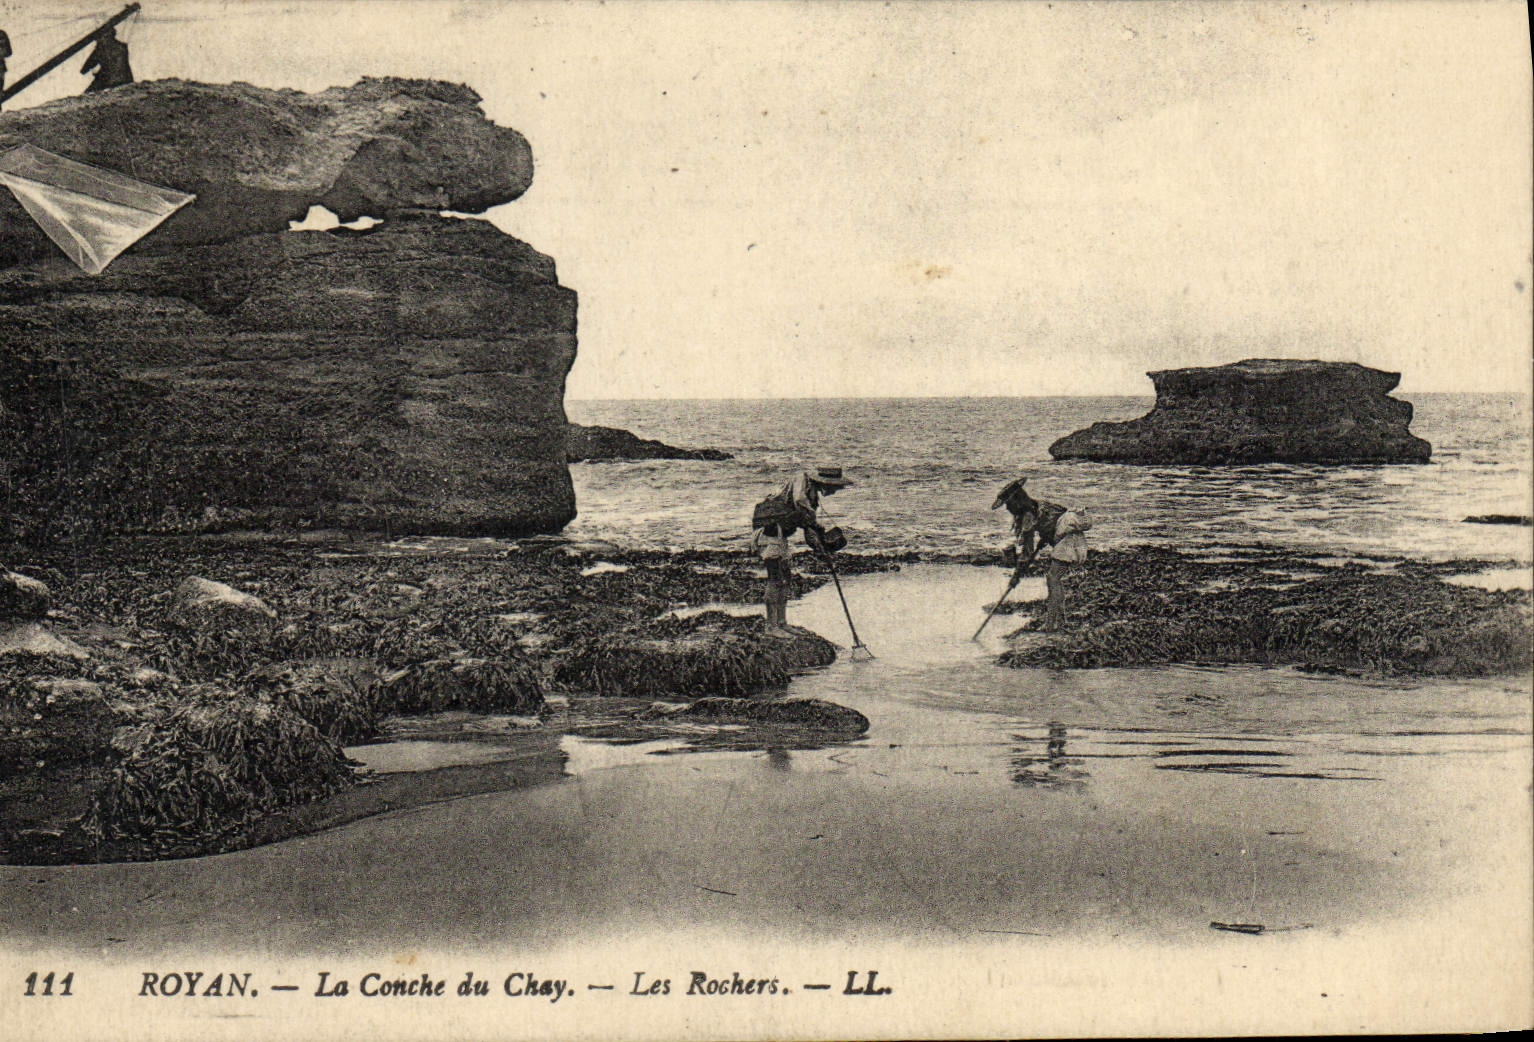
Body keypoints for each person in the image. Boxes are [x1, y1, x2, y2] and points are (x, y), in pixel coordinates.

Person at [750, 466, 852, 638]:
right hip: (768, 534)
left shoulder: (812, 497)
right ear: (825, 483)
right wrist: (812, 519)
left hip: (780, 537)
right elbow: (798, 500)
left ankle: (782, 623)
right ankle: (771, 626)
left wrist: (821, 550)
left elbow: (809, 533)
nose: (834, 492)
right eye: (834, 488)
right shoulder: (801, 480)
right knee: (776, 579)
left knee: (786, 578)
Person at [992, 476, 1091, 633]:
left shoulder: (1028, 517)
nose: (1007, 508)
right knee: (1054, 579)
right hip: (1069, 538)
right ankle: (1059, 621)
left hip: (1070, 540)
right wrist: (1045, 537)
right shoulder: (1039, 505)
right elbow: (1054, 519)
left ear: (1016, 502)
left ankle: (1052, 625)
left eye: (1008, 504)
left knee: (1053, 578)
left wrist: (1016, 575)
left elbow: (1027, 552)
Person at [82, 28, 133, 93]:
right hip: (126, 79)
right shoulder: (122, 46)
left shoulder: (101, 48)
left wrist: (84, 71)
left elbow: (89, 64)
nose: (97, 40)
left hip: (109, 80)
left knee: (88, 93)